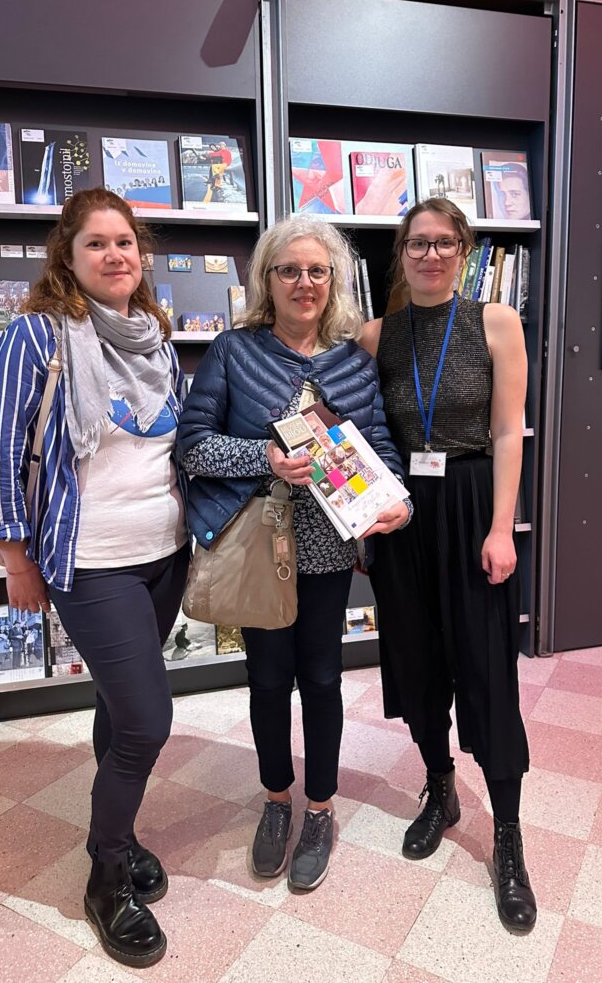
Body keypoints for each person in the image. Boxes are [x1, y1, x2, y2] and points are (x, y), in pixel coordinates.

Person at [0, 187, 189, 968]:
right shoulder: (37, 334)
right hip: (90, 560)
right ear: (67, 255)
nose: (114, 255)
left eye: (125, 242)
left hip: (163, 554)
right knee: (147, 723)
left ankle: (116, 837)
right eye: (96, 243)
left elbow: (169, 445)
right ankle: (106, 879)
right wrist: (14, 557)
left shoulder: (155, 336)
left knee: (118, 708)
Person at [176, 216, 409, 891]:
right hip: (261, 548)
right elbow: (193, 446)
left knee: (324, 681)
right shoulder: (233, 351)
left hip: (328, 552)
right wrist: (267, 458)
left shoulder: (354, 362)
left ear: (333, 280)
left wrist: (400, 501)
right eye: (289, 270)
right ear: (267, 279)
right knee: (269, 680)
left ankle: (320, 808)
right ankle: (277, 800)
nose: (303, 283)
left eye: (317, 271)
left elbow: (380, 449)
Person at [360, 197, 537, 932]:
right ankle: (441, 785)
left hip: (470, 504)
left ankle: (508, 833)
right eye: (417, 244)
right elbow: (361, 433)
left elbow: (507, 430)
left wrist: (502, 527)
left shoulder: (496, 322)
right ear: (400, 255)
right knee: (416, 661)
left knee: (487, 669)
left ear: (463, 251)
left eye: (443, 243)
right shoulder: (375, 335)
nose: (429, 255)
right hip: (403, 511)